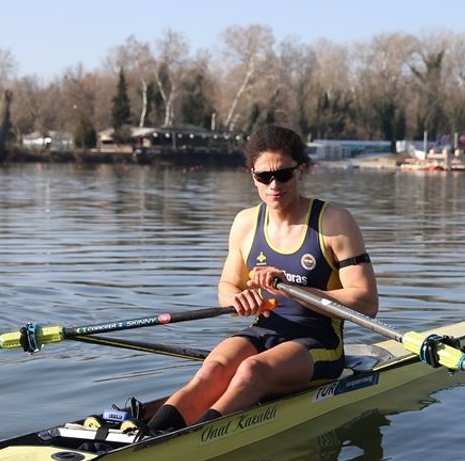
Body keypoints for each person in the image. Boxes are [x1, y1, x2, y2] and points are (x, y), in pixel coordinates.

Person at [146, 125, 379, 434]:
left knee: (251, 371)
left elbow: (367, 302)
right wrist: (237, 300)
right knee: (212, 370)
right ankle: (149, 436)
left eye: (283, 174)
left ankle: (188, 442)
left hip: (319, 341)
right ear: (251, 174)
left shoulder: (334, 222)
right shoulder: (245, 222)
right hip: (264, 330)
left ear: (301, 171)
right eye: (263, 177)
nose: (274, 185)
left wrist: (295, 291)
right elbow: (227, 287)